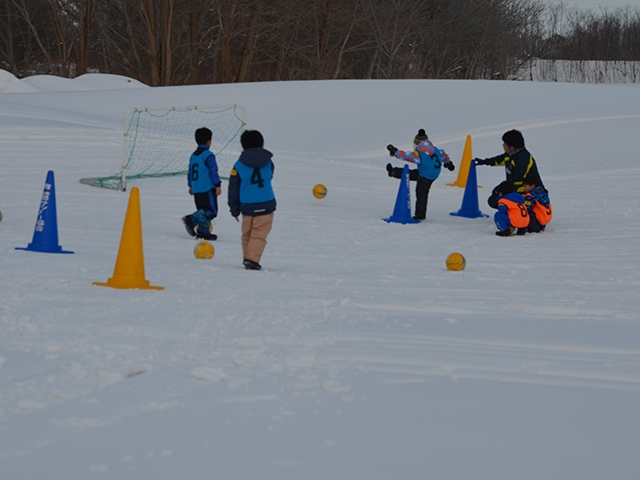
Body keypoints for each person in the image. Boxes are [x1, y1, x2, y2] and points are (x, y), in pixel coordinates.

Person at [228, 130, 276, 271]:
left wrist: (234, 209)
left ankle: (248, 258)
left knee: (247, 235)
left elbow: (233, 188)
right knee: (259, 234)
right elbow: (270, 176)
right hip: (266, 204)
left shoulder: (238, 165)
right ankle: (251, 259)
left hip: (247, 206)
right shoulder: (269, 162)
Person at [385, 129, 455, 221]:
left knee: (421, 193)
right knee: (409, 174)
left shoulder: (420, 155)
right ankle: (393, 172)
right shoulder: (436, 150)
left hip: (426, 176)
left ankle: (420, 215)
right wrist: (448, 163)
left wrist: (395, 151)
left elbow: (406, 156)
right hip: (432, 172)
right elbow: (443, 155)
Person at [474, 129, 543, 209]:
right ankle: (513, 208)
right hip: (516, 187)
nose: (503, 145)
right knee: (494, 196)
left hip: (531, 193)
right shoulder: (511, 155)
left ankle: (521, 211)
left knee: (497, 198)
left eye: (505, 143)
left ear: (511, 147)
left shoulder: (523, 159)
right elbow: (499, 160)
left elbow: (518, 180)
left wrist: (504, 189)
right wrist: (485, 162)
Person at [182, 127, 220, 241]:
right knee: (211, 211)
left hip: (197, 188)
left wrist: (190, 185)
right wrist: (217, 184)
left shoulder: (193, 155)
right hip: (207, 188)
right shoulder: (208, 155)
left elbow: (190, 171)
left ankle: (204, 231)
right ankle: (191, 219)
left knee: (203, 209)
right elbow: (213, 171)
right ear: (209, 141)